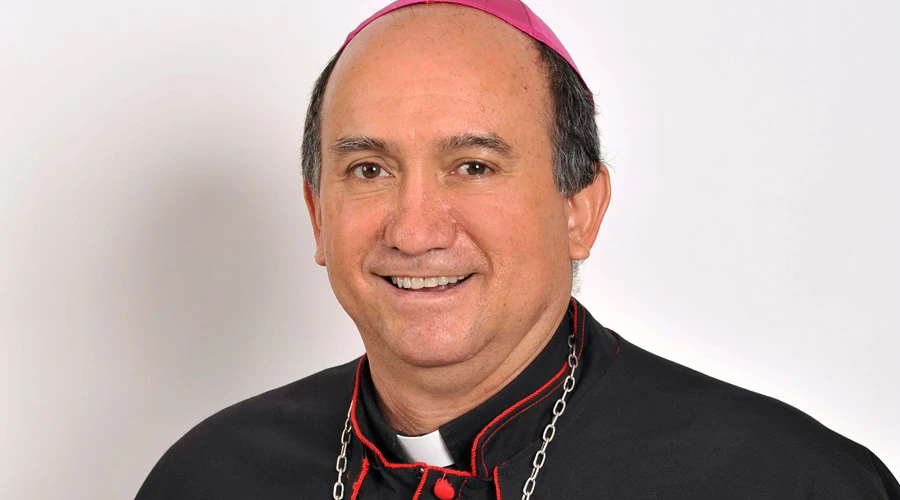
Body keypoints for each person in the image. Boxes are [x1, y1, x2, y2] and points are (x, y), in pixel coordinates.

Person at [136, 0, 899, 498]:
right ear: (317, 217)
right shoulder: (210, 477)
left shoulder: (785, 481)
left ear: (578, 210)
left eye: (473, 166)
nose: (415, 230)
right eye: (369, 170)